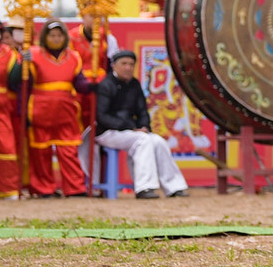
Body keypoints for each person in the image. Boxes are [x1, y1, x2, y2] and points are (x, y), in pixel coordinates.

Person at [13, 21, 96, 197]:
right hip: (39, 110)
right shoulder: (33, 54)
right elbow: (21, 86)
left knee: (69, 150)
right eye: (52, 35)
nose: (56, 39)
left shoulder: (73, 57)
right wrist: (22, 64)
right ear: (45, 37)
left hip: (65, 110)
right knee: (40, 151)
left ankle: (75, 188)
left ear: (65, 37)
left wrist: (93, 86)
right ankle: (44, 189)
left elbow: (79, 84)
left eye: (59, 35)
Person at [93, 50, 189, 198]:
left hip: (131, 132)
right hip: (107, 132)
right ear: (114, 66)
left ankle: (174, 187)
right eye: (124, 64)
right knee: (143, 141)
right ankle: (144, 188)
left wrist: (144, 127)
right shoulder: (106, 85)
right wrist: (131, 128)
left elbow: (142, 111)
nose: (128, 68)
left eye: (131, 64)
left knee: (158, 141)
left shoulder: (135, 85)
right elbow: (102, 116)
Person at [0, 21, 18, 198]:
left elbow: (15, 80)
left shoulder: (8, 53)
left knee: (5, 147)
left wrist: (24, 66)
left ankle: (9, 191)